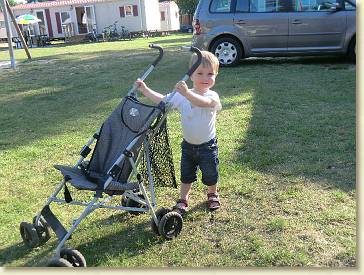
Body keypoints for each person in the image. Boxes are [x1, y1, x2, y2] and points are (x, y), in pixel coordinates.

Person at [135, 51, 222, 213]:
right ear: (191, 76)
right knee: (186, 175)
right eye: (200, 73)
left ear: (216, 75)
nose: (205, 78)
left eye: (210, 74)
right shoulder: (182, 95)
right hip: (188, 146)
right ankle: (183, 199)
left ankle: (212, 194)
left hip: (207, 146)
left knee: (210, 173)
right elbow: (163, 100)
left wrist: (187, 93)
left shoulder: (212, 96)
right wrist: (146, 90)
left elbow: (203, 103)